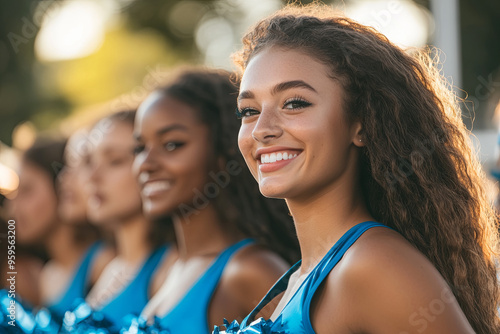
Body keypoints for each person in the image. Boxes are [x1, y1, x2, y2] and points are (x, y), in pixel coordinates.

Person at [218, 3, 500, 334]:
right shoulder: (302, 276)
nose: (262, 129)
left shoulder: (373, 264)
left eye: (294, 103)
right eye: (248, 110)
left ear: (361, 125)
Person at [131, 68, 299, 333]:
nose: (145, 164)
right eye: (139, 148)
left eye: (172, 144)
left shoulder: (250, 270)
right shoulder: (168, 270)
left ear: (224, 151)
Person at [69, 110, 169, 329]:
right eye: (89, 162)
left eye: (114, 161)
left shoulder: (166, 271)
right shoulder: (113, 267)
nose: (92, 177)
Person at [8, 138, 108, 321]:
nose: (13, 208)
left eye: (27, 190)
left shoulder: (101, 263)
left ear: (61, 188)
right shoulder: (48, 276)